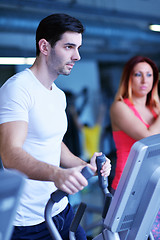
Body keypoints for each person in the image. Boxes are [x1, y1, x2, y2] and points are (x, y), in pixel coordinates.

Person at [0, 14, 111, 240]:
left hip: (60, 209)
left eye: (78, 47)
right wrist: (57, 174)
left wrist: (86, 166)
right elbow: (10, 154)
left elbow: (52, 143)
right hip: (28, 222)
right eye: (69, 46)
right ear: (44, 46)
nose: (77, 56)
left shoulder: (58, 95)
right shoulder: (18, 89)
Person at [110, 55, 160, 239]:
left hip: (154, 183)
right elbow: (147, 139)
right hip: (129, 186)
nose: (144, 79)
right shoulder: (120, 107)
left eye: (149, 74)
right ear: (128, 78)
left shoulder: (155, 108)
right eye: (138, 74)